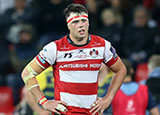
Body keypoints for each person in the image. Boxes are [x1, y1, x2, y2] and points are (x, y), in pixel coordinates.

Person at [21, 3, 126, 115]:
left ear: (88, 22)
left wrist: (108, 98)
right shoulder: (55, 48)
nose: (81, 25)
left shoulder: (102, 46)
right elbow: (27, 74)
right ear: (68, 25)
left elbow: (121, 69)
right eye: (75, 22)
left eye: (83, 20)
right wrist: (44, 102)